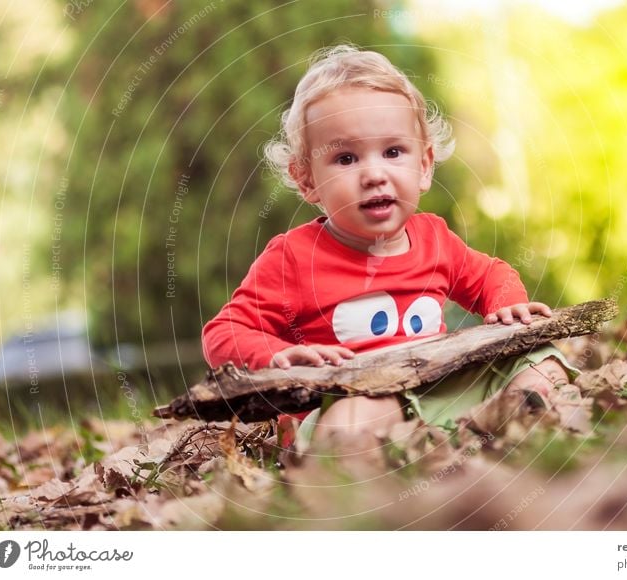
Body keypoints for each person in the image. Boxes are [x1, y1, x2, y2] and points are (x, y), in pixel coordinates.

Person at [202, 45, 578, 451]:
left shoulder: (434, 237)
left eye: (393, 152)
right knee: (355, 419)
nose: (374, 174)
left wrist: (506, 304)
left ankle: (512, 421)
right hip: (352, 399)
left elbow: (491, 275)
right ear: (307, 179)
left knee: (542, 361)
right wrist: (277, 355)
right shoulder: (293, 257)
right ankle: (380, 456)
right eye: (346, 158)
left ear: (425, 166)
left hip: (439, 386)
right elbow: (224, 333)